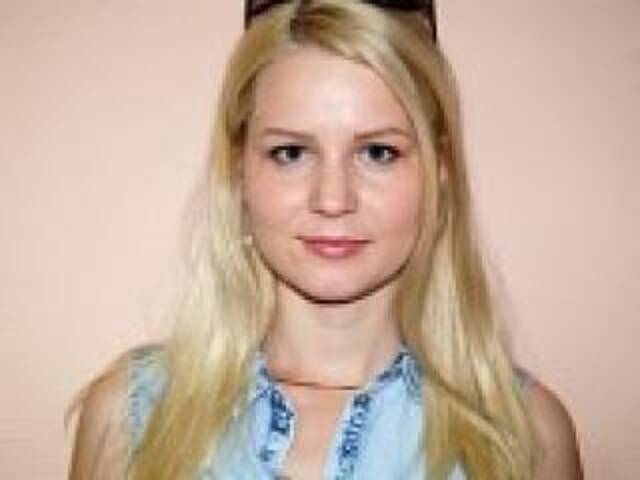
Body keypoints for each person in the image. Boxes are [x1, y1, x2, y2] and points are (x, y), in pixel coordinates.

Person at [69, 1, 583, 479]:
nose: (333, 199)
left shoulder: (527, 437)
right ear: (239, 171)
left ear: (439, 171)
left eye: (377, 152)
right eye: (292, 153)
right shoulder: (130, 419)